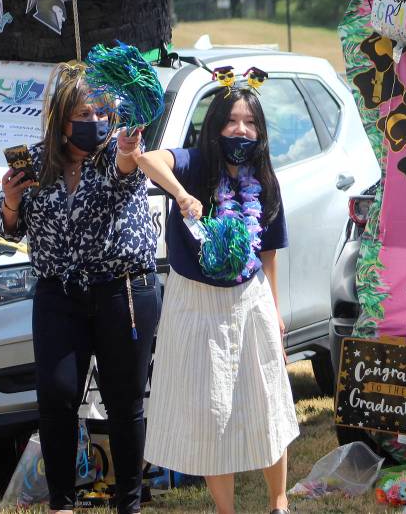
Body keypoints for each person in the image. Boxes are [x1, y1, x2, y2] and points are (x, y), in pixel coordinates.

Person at [0, 62, 160, 514]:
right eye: (83, 114)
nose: (95, 123)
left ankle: (129, 504)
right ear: (60, 118)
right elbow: (9, 228)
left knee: (125, 403)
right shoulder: (35, 161)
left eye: (102, 112)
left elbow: (126, 176)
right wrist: (9, 203)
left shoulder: (118, 152)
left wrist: (127, 150)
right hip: (59, 294)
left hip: (122, 291)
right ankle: (60, 504)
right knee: (57, 396)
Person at [138, 82, 298, 514]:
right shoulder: (193, 164)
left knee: (267, 400)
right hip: (196, 304)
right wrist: (180, 192)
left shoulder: (265, 179)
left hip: (251, 300)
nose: (240, 129)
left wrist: (277, 313)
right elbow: (147, 159)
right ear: (214, 127)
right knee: (210, 412)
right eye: (231, 120)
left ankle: (279, 502)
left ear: (260, 131)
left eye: (249, 122)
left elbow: (268, 253)